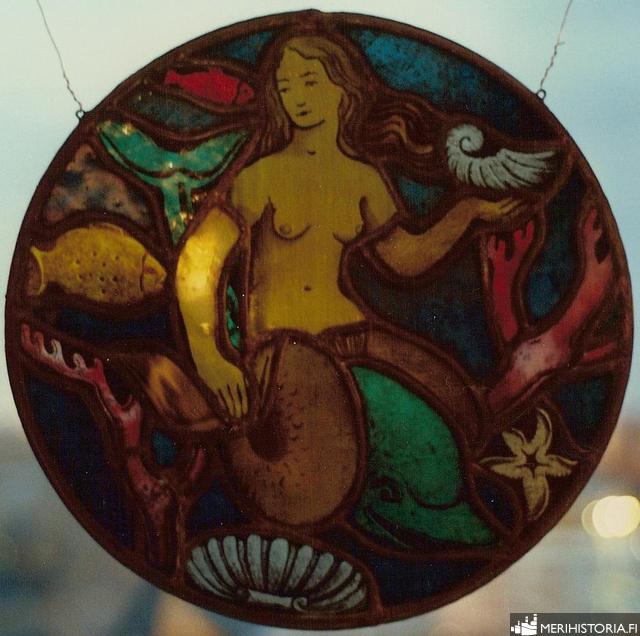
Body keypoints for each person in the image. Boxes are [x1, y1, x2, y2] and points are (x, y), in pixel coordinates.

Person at [175, 32, 522, 420]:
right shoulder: (262, 176)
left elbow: (404, 258)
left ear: (343, 87)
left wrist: (468, 212)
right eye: (286, 87)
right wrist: (208, 356)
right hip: (288, 349)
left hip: (354, 336)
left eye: (310, 81)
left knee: (456, 403)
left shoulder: (364, 179)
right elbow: (197, 262)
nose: (297, 97)